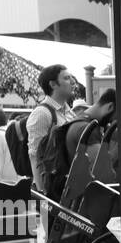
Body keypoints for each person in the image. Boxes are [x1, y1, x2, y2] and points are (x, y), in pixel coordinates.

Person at [27, 63, 78, 195]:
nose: (73, 82)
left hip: (68, 186)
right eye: (67, 78)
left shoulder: (69, 112)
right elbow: (35, 156)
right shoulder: (42, 113)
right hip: (52, 191)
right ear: (53, 84)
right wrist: (42, 193)